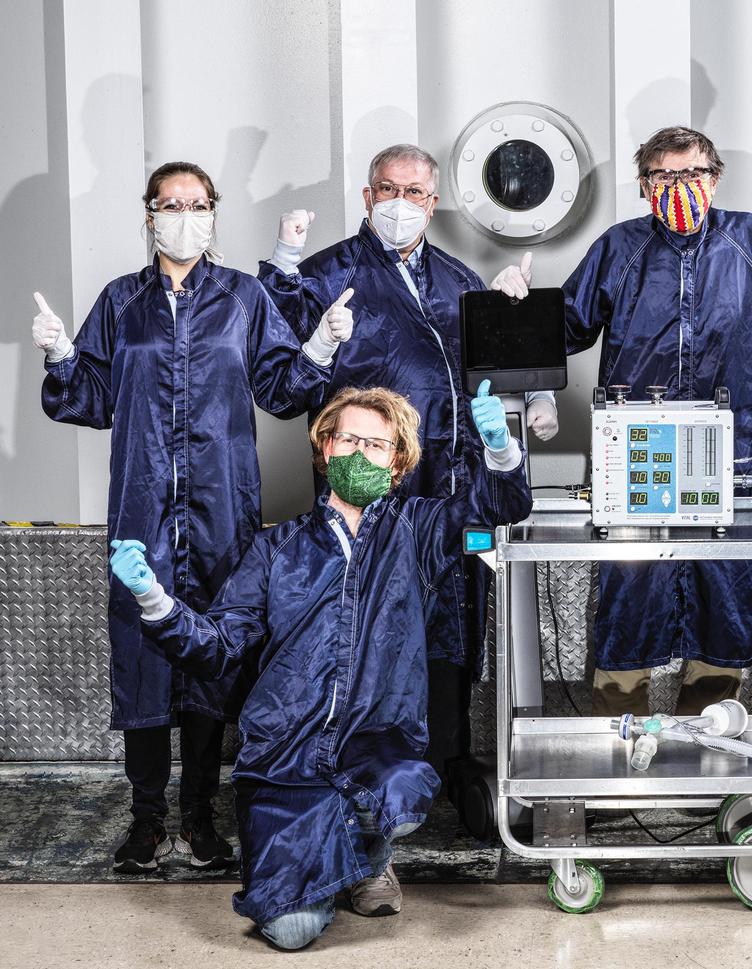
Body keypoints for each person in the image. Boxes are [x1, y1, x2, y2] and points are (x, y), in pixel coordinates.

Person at [106, 384, 532, 950]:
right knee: (291, 931)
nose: (360, 453)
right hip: (287, 756)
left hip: (375, 743)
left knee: (402, 794)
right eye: (349, 439)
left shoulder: (418, 531)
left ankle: (368, 857)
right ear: (324, 448)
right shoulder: (274, 551)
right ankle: (331, 861)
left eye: (377, 445)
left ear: (398, 463)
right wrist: (156, 602)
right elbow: (215, 648)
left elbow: (499, 508)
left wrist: (500, 452)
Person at [35, 161, 345, 873]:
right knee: (143, 656)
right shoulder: (121, 302)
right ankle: (146, 821)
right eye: (169, 204)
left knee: (213, 651)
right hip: (142, 509)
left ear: (214, 213)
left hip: (223, 512)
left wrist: (319, 347)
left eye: (196, 203)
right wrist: (60, 355)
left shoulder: (244, 298)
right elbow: (88, 398)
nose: (183, 214)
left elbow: (280, 391)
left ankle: (202, 817)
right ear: (148, 215)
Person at [543, 124, 752, 716]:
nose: (679, 187)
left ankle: (712, 735)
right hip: (637, 458)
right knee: (630, 594)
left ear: (715, 178)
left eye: (692, 174)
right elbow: (563, 328)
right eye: (664, 177)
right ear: (645, 185)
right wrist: (518, 315)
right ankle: (618, 746)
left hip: (737, 457)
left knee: (728, 595)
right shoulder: (619, 251)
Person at [257, 144, 552, 795]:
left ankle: (446, 759)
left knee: (448, 623)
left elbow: (491, 385)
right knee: (367, 629)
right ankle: (364, 771)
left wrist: (516, 326)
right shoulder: (323, 277)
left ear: (433, 201)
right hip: (374, 491)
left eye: (415, 193)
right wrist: (286, 278)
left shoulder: (458, 280)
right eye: (388, 190)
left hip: (452, 488)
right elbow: (275, 385)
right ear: (367, 197)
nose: (401, 203)